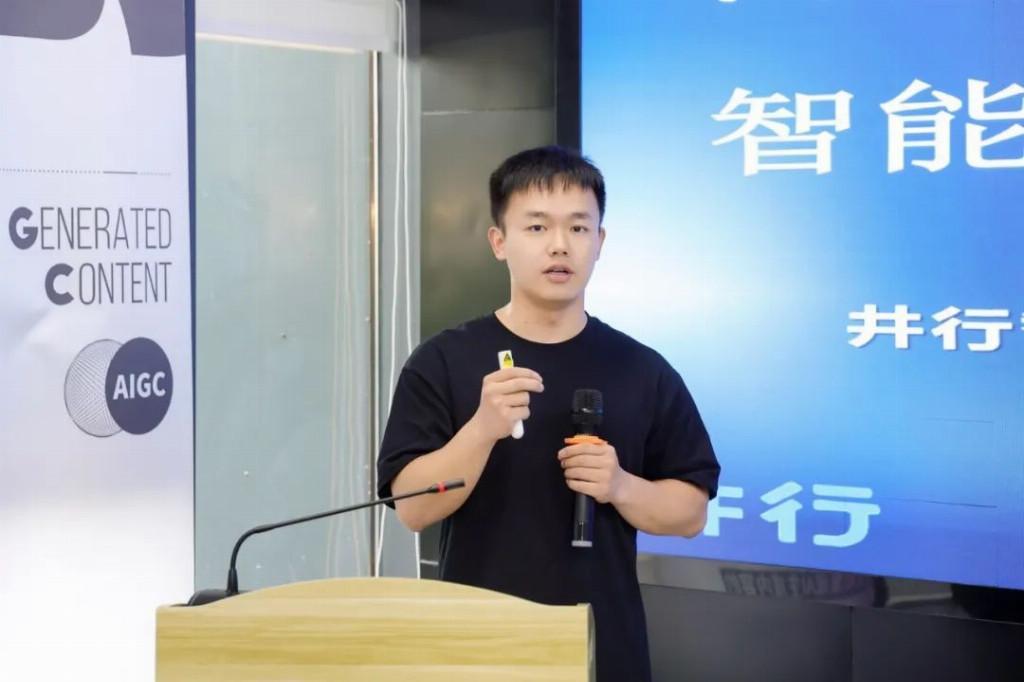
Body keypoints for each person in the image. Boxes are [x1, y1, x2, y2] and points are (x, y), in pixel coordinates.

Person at [377, 145, 720, 682]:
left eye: (579, 228)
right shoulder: (443, 361)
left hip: (601, 648)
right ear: (499, 241)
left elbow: (691, 513)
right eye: (537, 227)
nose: (560, 245)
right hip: (477, 650)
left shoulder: (641, 369)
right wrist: (482, 429)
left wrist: (621, 486)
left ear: (600, 241)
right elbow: (412, 509)